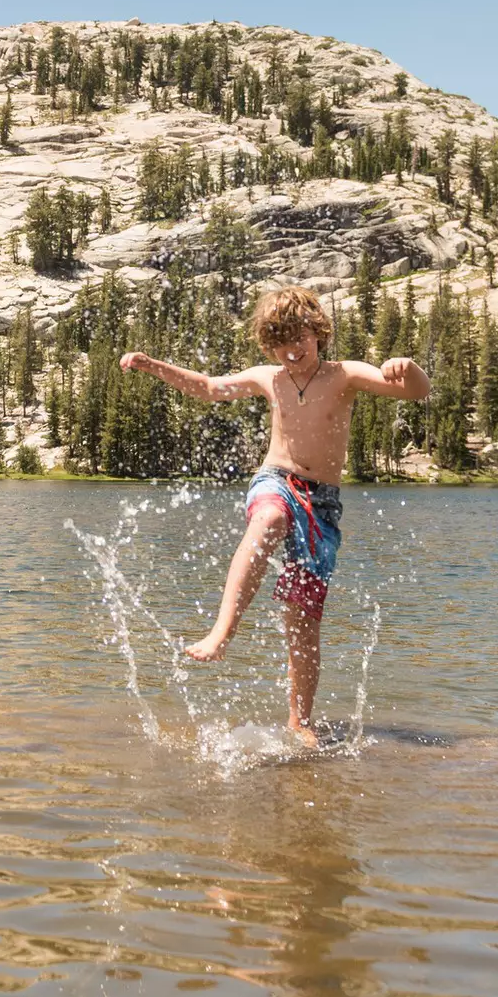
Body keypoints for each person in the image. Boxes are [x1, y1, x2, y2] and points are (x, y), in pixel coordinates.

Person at [118, 286, 430, 747]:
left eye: (299, 337)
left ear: (318, 332)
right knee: (267, 520)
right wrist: (152, 365)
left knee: (304, 622)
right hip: (276, 481)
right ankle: (221, 632)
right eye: (280, 341)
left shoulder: (344, 375)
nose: (291, 349)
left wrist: (409, 368)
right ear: (269, 344)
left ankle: (299, 722)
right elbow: (207, 388)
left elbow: (414, 393)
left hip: (322, 505)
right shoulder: (271, 377)